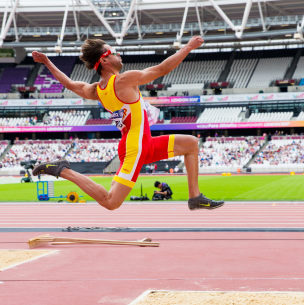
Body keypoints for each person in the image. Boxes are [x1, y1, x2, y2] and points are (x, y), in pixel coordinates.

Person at [31, 36, 224, 211]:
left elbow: (70, 84)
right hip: (136, 146)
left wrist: (47, 61)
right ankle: (63, 170)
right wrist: (188, 47)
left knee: (191, 144)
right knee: (110, 202)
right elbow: (161, 69)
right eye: (113, 52)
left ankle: (195, 196)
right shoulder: (122, 81)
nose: (119, 54)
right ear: (104, 61)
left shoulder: (96, 90)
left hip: (142, 142)